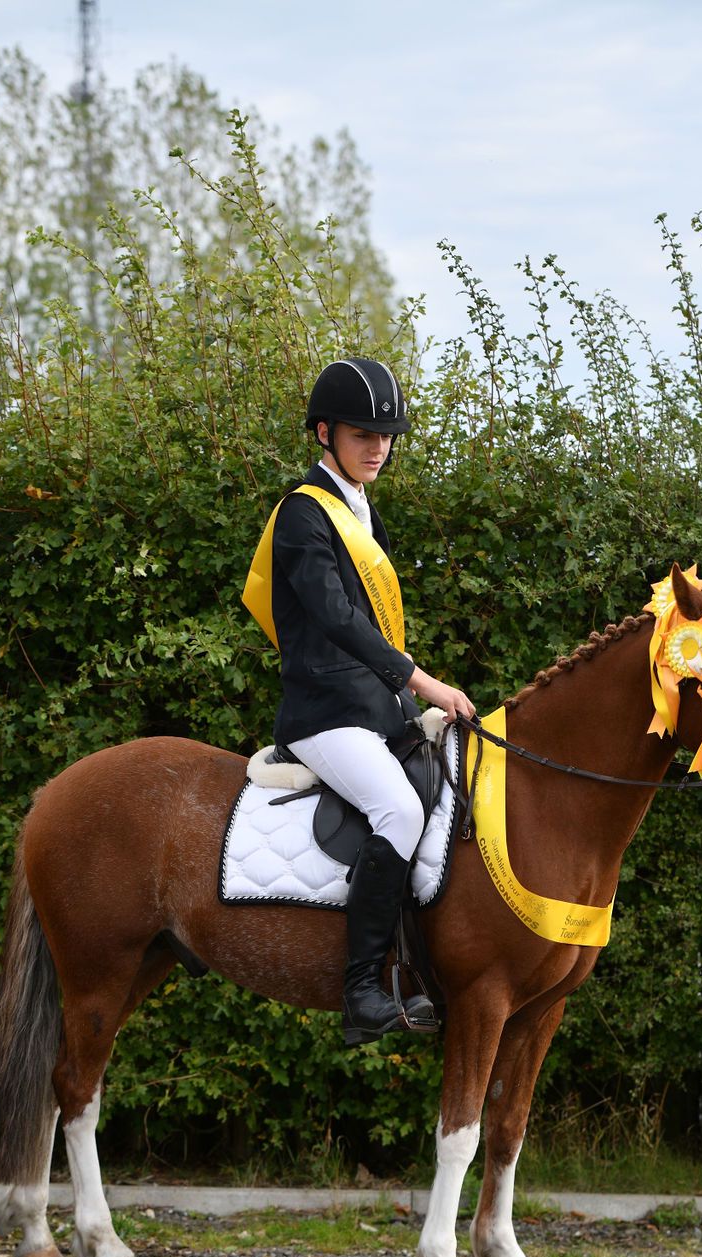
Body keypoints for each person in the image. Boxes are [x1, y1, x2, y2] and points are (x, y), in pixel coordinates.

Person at [243, 358, 474, 1047]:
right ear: (324, 433)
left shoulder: (361, 511)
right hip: (323, 715)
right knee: (398, 808)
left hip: (373, 712)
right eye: (361, 433)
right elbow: (340, 618)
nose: (378, 446)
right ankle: (362, 990)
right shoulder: (303, 516)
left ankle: (420, 965)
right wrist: (423, 683)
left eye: (386, 435)